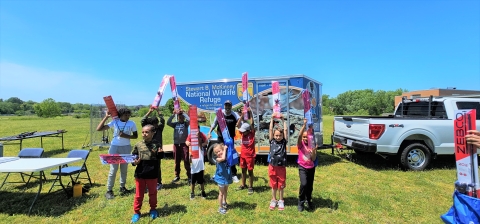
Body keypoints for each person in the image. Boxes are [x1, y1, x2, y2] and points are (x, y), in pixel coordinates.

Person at [96, 108, 138, 199]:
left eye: (128, 115)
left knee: (124, 169)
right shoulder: (115, 122)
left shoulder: (132, 123)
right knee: (113, 170)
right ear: (120, 115)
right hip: (114, 148)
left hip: (126, 147)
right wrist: (106, 117)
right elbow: (99, 129)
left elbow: (135, 136)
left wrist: (125, 136)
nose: (127, 116)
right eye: (125, 115)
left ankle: (122, 187)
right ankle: (109, 190)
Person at [130, 125, 162, 223]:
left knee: (152, 193)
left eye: (147, 132)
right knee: (139, 195)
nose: (144, 134)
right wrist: (134, 162)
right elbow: (133, 158)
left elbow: (160, 156)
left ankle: (153, 209)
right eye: (143, 132)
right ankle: (136, 212)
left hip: (152, 173)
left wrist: (160, 153)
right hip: (140, 173)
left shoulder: (156, 144)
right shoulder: (138, 144)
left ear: (153, 133)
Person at [207, 100, 240, 183]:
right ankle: (218, 173)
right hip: (221, 138)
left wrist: (242, 118)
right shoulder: (219, 114)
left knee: (231, 155)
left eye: (229, 105)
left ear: (231, 106)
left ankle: (233, 174)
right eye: (226, 105)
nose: (227, 107)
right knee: (219, 155)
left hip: (230, 139)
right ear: (224, 106)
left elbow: (240, 122)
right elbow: (214, 124)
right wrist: (209, 132)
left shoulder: (234, 114)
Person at [141, 107, 165, 191]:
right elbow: (143, 120)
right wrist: (149, 112)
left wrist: (158, 111)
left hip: (157, 151)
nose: (156, 125)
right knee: (147, 166)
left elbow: (162, 120)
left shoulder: (159, 128)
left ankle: (159, 183)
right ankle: (148, 183)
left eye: (156, 123)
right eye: (154, 123)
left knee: (157, 167)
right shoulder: (147, 129)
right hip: (147, 150)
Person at [268, 112, 288, 211]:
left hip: (281, 167)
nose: (278, 137)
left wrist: (283, 120)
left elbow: (285, 130)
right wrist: (272, 119)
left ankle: (281, 200)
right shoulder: (272, 141)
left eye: (279, 136)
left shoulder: (284, 142)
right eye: (276, 136)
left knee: (281, 184)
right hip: (272, 166)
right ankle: (274, 199)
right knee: (273, 184)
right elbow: (271, 129)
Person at [297, 118, 317, 212]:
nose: (305, 138)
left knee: (309, 186)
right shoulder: (300, 144)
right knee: (304, 184)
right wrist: (304, 125)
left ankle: (308, 200)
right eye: (304, 137)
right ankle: (301, 201)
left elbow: (313, 159)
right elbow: (299, 136)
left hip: (311, 167)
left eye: (306, 137)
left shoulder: (312, 145)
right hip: (302, 166)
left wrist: (313, 151)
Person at [167, 109, 191, 184]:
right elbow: (168, 122)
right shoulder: (175, 124)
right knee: (177, 161)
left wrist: (183, 113)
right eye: (179, 117)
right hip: (176, 144)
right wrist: (173, 114)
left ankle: (189, 176)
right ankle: (177, 176)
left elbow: (190, 119)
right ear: (178, 118)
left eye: (182, 117)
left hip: (184, 144)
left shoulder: (186, 124)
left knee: (186, 160)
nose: (181, 118)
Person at [236, 107, 255, 194]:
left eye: (244, 131)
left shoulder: (251, 134)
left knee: (250, 171)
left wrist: (250, 113)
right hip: (243, 155)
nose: (242, 133)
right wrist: (242, 115)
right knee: (243, 171)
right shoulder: (242, 133)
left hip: (250, 156)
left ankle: (250, 187)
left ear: (248, 130)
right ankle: (243, 184)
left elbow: (252, 124)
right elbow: (237, 125)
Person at [186, 130, 208, 200]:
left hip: (200, 168)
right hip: (193, 169)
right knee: (192, 182)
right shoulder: (191, 151)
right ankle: (192, 193)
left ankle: (203, 192)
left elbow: (200, 144)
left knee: (201, 182)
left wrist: (198, 136)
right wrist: (190, 157)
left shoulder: (201, 149)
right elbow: (189, 161)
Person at [213, 143, 233, 214]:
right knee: (221, 193)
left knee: (225, 191)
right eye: (216, 152)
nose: (218, 153)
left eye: (219, 151)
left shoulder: (226, 155)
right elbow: (223, 158)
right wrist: (224, 149)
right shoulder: (218, 159)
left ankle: (224, 202)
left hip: (226, 177)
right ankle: (220, 208)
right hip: (220, 178)